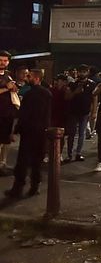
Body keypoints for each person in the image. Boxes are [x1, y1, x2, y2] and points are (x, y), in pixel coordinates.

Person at [5, 69, 51, 198]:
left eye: (29, 76)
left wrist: (15, 130)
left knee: (23, 161)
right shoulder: (47, 93)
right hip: (41, 131)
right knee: (37, 161)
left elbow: (24, 114)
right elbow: (47, 114)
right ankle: (34, 186)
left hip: (29, 131)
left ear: (36, 78)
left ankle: (18, 188)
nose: (27, 78)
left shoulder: (30, 95)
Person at [64, 64, 95, 162]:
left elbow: (94, 98)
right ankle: (69, 155)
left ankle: (78, 153)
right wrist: (75, 92)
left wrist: (94, 112)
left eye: (84, 71)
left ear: (88, 72)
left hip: (85, 112)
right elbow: (67, 97)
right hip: (73, 112)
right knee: (71, 134)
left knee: (82, 134)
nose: (82, 73)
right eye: (81, 71)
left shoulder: (92, 84)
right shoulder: (73, 84)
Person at [0, 50, 18, 176]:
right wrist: (7, 88)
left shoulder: (8, 74)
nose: (2, 63)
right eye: (0, 60)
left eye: (5, 60)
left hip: (8, 112)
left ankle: (3, 163)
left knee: (6, 140)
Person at [50, 74, 71, 156]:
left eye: (59, 81)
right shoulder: (52, 89)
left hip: (63, 115)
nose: (57, 82)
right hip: (53, 114)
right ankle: (49, 153)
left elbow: (67, 98)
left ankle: (59, 153)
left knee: (61, 135)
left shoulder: (67, 90)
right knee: (51, 134)